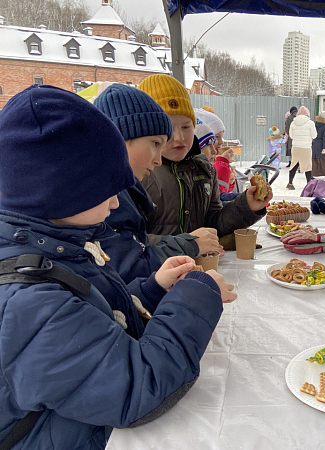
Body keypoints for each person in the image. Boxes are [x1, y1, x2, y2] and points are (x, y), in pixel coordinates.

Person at [0, 84, 236, 449]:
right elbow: (137, 389)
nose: (115, 204)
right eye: (106, 188)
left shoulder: (61, 247)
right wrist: (197, 294)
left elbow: (94, 315)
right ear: (63, 188)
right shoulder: (30, 303)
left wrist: (152, 289)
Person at [94, 84, 223, 284]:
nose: (158, 160)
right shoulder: (103, 196)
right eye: (155, 144)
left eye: (186, 127)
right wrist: (190, 245)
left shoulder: (125, 189)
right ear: (119, 137)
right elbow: (126, 268)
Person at [137, 74, 272, 237]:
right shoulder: (137, 174)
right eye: (169, 128)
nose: (179, 137)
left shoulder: (204, 169)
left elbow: (214, 223)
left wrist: (246, 206)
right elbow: (130, 242)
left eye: (186, 127)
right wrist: (189, 245)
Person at [287, 105, 317, 190]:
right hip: (306, 147)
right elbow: (314, 135)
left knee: (294, 164)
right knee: (307, 165)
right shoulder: (310, 123)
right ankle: (309, 184)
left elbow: (291, 135)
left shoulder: (293, 123)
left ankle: (290, 183)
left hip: (295, 147)